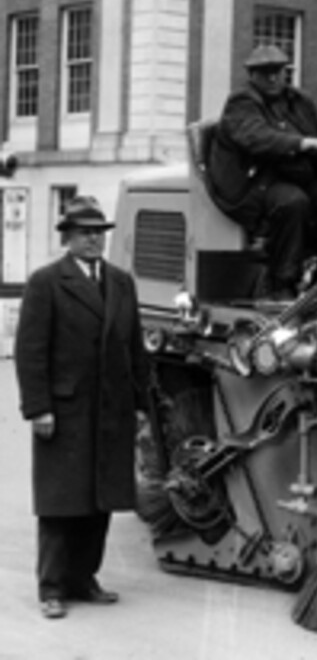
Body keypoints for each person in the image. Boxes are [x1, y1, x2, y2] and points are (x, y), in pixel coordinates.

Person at [14, 196, 149, 619]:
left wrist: (142, 405)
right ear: (68, 239)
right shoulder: (46, 282)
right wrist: (38, 409)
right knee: (60, 502)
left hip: (112, 409)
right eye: (85, 234)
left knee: (100, 499)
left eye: (99, 233)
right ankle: (52, 587)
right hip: (65, 410)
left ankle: (84, 579)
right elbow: (30, 351)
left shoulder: (122, 282)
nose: (94, 240)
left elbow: (135, 350)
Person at [207, 44, 317, 299]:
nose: (273, 77)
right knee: (292, 203)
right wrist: (304, 143)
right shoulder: (241, 102)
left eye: (277, 71)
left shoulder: (297, 101)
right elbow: (257, 138)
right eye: (264, 72)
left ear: (286, 72)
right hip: (251, 186)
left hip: (288, 177)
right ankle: (281, 284)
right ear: (252, 76)